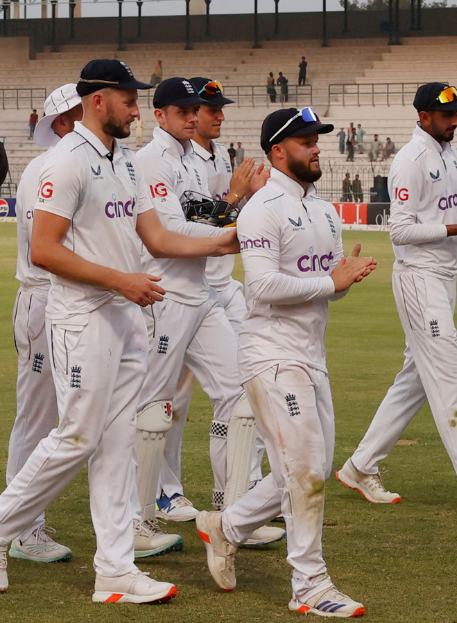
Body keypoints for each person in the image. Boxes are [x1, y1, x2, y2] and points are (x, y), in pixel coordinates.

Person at [0, 60, 237, 602]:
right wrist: (121, 282)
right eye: (127, 98)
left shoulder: (127, 164)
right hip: (82, 315)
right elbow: (44, 251)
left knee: (116, 446)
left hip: (126, 315)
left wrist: (228, 239)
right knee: (80, 436)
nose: (137, 107)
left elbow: (156, 235)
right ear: (96, 101)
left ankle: (114, 569)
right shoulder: (63, 163)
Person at [194, 106, 377, 617]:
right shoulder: (262, 208)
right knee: (306, 473)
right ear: (278, 152)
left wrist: (344, 277)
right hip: (270, 355)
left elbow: (326, 292)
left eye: (317, 139)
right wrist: (331, 281)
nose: (317, 147)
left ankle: (225, 527)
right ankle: (310, 586)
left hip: (311, 356)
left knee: (307, 470)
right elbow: (262, 286)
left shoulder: (323, 210)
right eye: (305, 141)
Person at [129, 77, 276, 556]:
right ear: (160, 116)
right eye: (183, 110)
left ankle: (233, 515)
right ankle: (136, 519)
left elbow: (206, 218)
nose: (193, 116)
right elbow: (172, 230)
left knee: (241, 392)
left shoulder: (193, 158)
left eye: (196, 109)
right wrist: (233, 208)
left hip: (203, 292)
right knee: (151, 407)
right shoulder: (149, 162)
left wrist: (236, 210)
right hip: (165, 293)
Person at [338, 81, 457, 515]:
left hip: (445, 276)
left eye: (456, 114)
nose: (456, 121)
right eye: (447, 116)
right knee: (447, 379)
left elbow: (456, 208)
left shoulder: (448, 153)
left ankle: (360, 465)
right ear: (424, 117)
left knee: (415, 381)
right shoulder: (410, 160)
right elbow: (400, 231)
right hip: (418, 277)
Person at [4, 84, 85, 565]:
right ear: (61, 123)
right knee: (37, 416)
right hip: (44, 299)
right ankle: (19, 527)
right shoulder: (46, 170)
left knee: (74, 416)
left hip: (72, 299)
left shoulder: (77, 163)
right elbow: (48, 248)